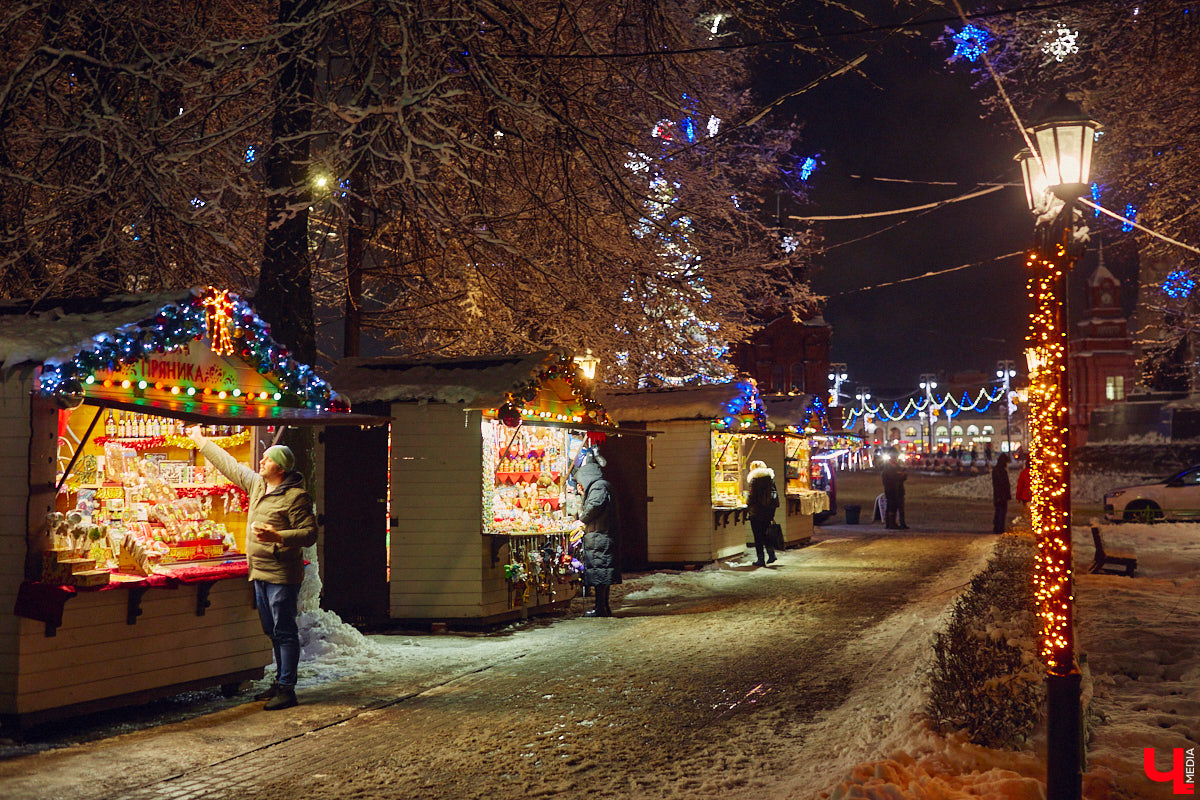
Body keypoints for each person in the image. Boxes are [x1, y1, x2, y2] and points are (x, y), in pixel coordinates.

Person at [189, 427, 318, 710]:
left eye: (267, 460)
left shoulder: (296, 497)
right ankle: (280, 681)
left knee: (284, 631)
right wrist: (200, 440)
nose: (261, 462)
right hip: (258, 571)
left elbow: (309, 533)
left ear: (280, 469)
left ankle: (287, 688)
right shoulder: (258, 485)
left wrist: (279, 537)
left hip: (281, 575)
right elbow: (230, 466)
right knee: (271, 629)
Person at [571, 449, 619, 617]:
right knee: (601, 574)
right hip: (601, 536)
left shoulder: (598, 487)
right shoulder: (601, 486)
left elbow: (595, 506)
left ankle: (601, 608)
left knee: (600, 574)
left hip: (600, 537)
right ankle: (602, 607)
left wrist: (582, 520)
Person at [745, 459, 780, 567]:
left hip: (756, 512)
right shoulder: (770, 480)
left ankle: (760, 559)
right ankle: (771, 554)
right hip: (768, 512)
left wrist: (746, 503)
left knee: (758, 536)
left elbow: (751, 497)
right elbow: (774, 496)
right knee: (766, 534)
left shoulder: (754, 481)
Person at [881, 449, 908, 529]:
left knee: (900, 507)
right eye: (893, 458)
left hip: (899, 490)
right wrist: (899, 475)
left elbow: (904, 476)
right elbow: (891, 478)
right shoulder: (887, 468)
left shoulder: (898, 467)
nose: (895, 459)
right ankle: (890, 523)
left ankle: (901, 523)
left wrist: (900, 475)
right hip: (891, 491)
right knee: (891, 507)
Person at [992, 452, 1012, 534]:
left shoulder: (997, 470)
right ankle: (999, 527)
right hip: (1001, 495)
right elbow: (1003, 484)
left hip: (998, 495)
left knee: (998, 511)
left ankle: (998, 527)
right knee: (1001, 511)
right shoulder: (1001, 471)